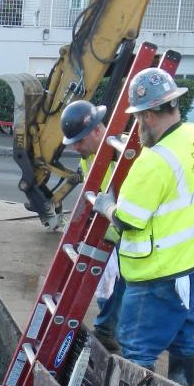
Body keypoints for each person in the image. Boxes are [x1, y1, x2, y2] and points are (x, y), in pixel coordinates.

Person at [91, 69, 194, 386]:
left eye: (138, 119)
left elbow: (127, 219)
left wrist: (105, 204)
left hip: (161, 273)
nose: (137, 127)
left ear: (150, 115)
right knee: (183, 336)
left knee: (138, 349)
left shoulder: (152, 163)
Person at [60, 99, 125, 352]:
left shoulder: (121, 155)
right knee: (107, 285)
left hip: (128, 232)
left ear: (97, 130)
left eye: (79, 140)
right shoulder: (90, 156)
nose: (75, 147)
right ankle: (109, 331)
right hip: (109, 231)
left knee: (125, 285)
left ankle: (111, 333)